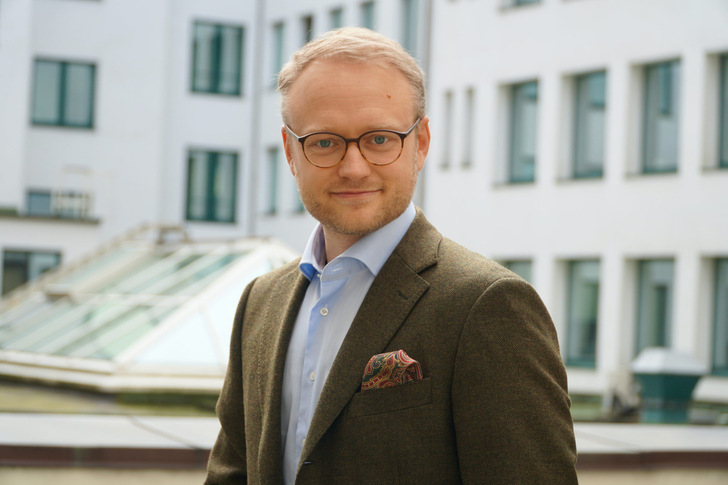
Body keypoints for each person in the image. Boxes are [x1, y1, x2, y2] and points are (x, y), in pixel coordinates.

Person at [205, 27, 578, 484]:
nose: (354, 167)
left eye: (380, 139)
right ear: (290, 152)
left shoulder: (488, 305)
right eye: (325, 141)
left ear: (420, 143)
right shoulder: (259, 304)